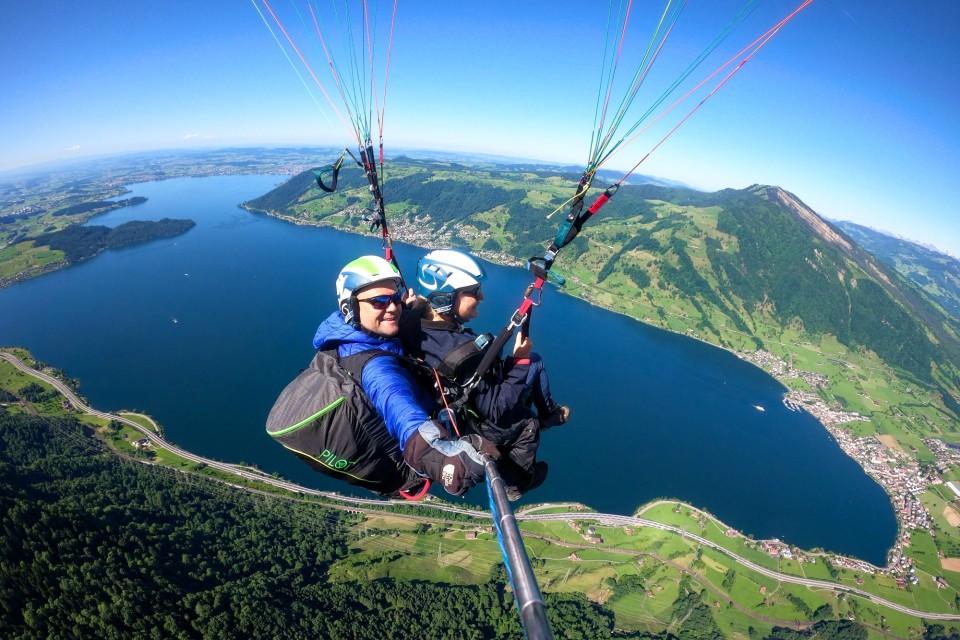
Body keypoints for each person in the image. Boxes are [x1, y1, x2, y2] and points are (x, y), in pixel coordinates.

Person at [312, 255, 493, 497]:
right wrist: (440, 458)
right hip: (418, 441)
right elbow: (398, 405)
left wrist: (409, 307)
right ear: (350, 307)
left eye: (395, 298)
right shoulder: (375, 368)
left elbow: (392, 315)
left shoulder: (352, 333)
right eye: (379, 302)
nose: (393, 308)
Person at [400, 249, 570, 496]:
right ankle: (517, 482)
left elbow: (417, 309)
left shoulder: (408, 320)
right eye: (472, 291)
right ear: (445, 298)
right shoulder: (462, 352)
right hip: (473, 419)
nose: (481, 296)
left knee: (533, 362)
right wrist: (518, 361)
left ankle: (549, 413)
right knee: (527, 418)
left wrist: (412, 305)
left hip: (448, 399)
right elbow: (496, 408)